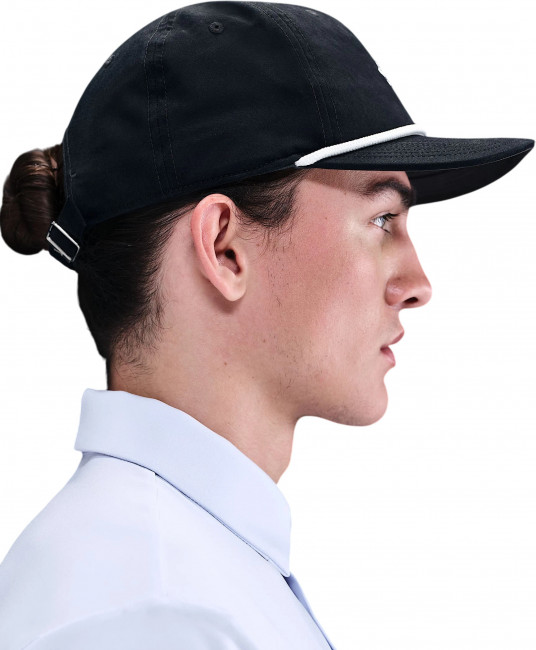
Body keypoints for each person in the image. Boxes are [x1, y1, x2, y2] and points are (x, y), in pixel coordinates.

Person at [0, 2, 533, 649]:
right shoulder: (155, 612)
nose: (417, 284)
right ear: (225, 248)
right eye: (382, 220)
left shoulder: (174, 569)